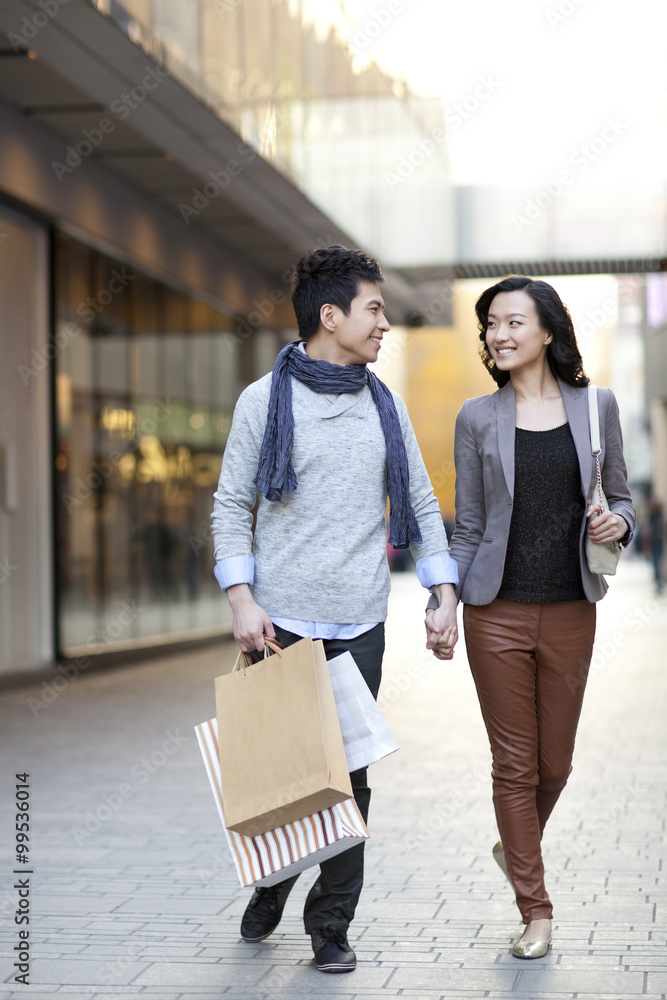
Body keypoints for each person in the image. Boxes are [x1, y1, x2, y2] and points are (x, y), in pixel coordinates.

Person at [211, 245, 459, 973]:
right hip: (280, 623)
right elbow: (231, 504)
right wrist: (241, 598)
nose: (383, 324)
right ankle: (273, 881)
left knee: (347, 779)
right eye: (373, 309)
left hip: (359, 624)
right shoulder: (264, 401)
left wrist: (442, 591)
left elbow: (418, 501)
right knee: (283, 774)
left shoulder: (386, 406)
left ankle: (331, 926)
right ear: (331, 316)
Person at [425, 275, 635, 959]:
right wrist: (445, 599)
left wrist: (615, 526)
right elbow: (468, 526)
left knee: (557, 764)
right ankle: (535, 908)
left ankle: (513, 844)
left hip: (571, 607)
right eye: (489, 323)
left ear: (547, 329)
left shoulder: (594, 406)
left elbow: (624, 500)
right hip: (496, 613)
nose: (498, 333)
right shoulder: (474, 418)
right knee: (514, 766)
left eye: (513, 321)